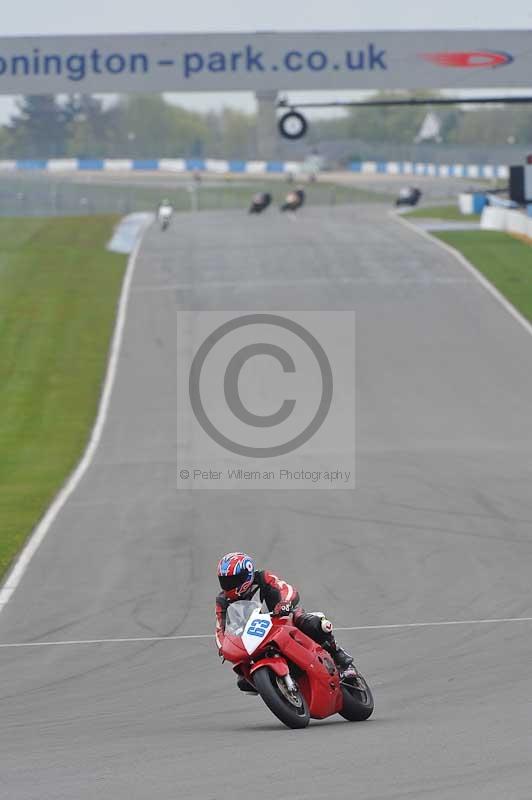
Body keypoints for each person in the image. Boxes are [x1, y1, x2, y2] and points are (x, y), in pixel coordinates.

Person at [215, 551, 357, 693]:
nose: (229, 585)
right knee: (242, 678)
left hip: (282, 619)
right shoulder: (223, 600)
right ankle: (275, 688)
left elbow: (286, 589)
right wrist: (223, 646)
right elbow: (220, 628)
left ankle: (340, 657)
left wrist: (284, 603)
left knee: (313, 624)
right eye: (225, 581)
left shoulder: (263, 578)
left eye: (234, 580)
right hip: (254, 636)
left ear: (248, 574)